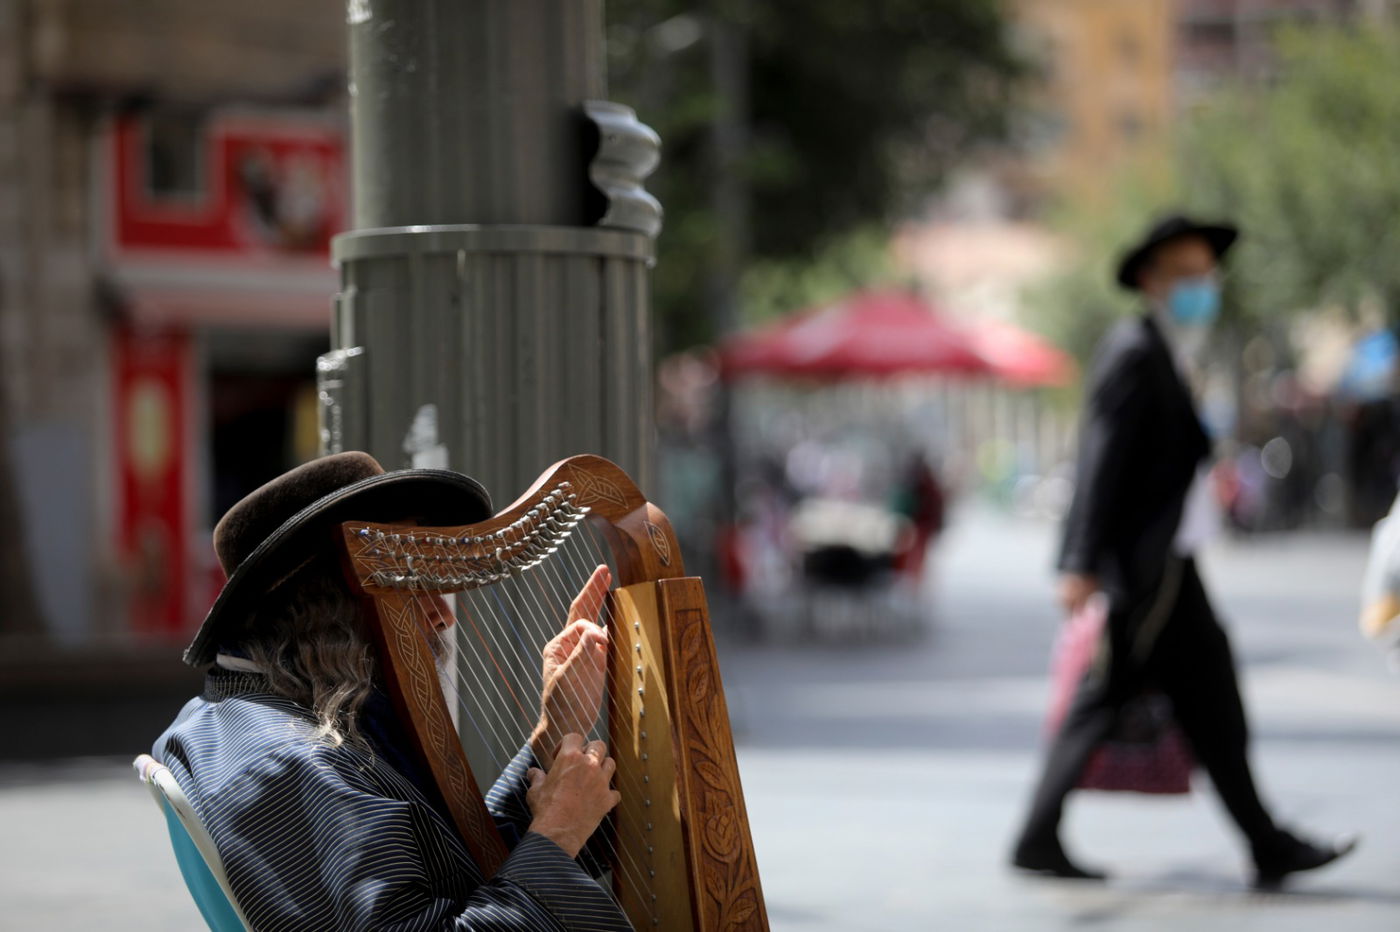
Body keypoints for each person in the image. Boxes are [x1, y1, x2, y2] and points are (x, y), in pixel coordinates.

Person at [1010, 214, 1356, 888]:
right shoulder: (1133, 350)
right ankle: (1041, 835)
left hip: (1170, 562)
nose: (1203, 287)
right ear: (1150, 280)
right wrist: (1079, 562)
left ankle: (1264, 843)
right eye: (1187, 275)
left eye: (1208, 274)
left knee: (1206, 703)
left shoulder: (1165, 351)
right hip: (1148, 568)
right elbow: (1100, 461)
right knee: (1121, 697)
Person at [154, 452, 632, 930]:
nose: (442, 614)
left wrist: (554, 734)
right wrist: (557, 832)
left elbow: (449, 868)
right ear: (327, 607)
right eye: (407, 582)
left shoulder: (248, 717)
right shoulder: (296, 761)